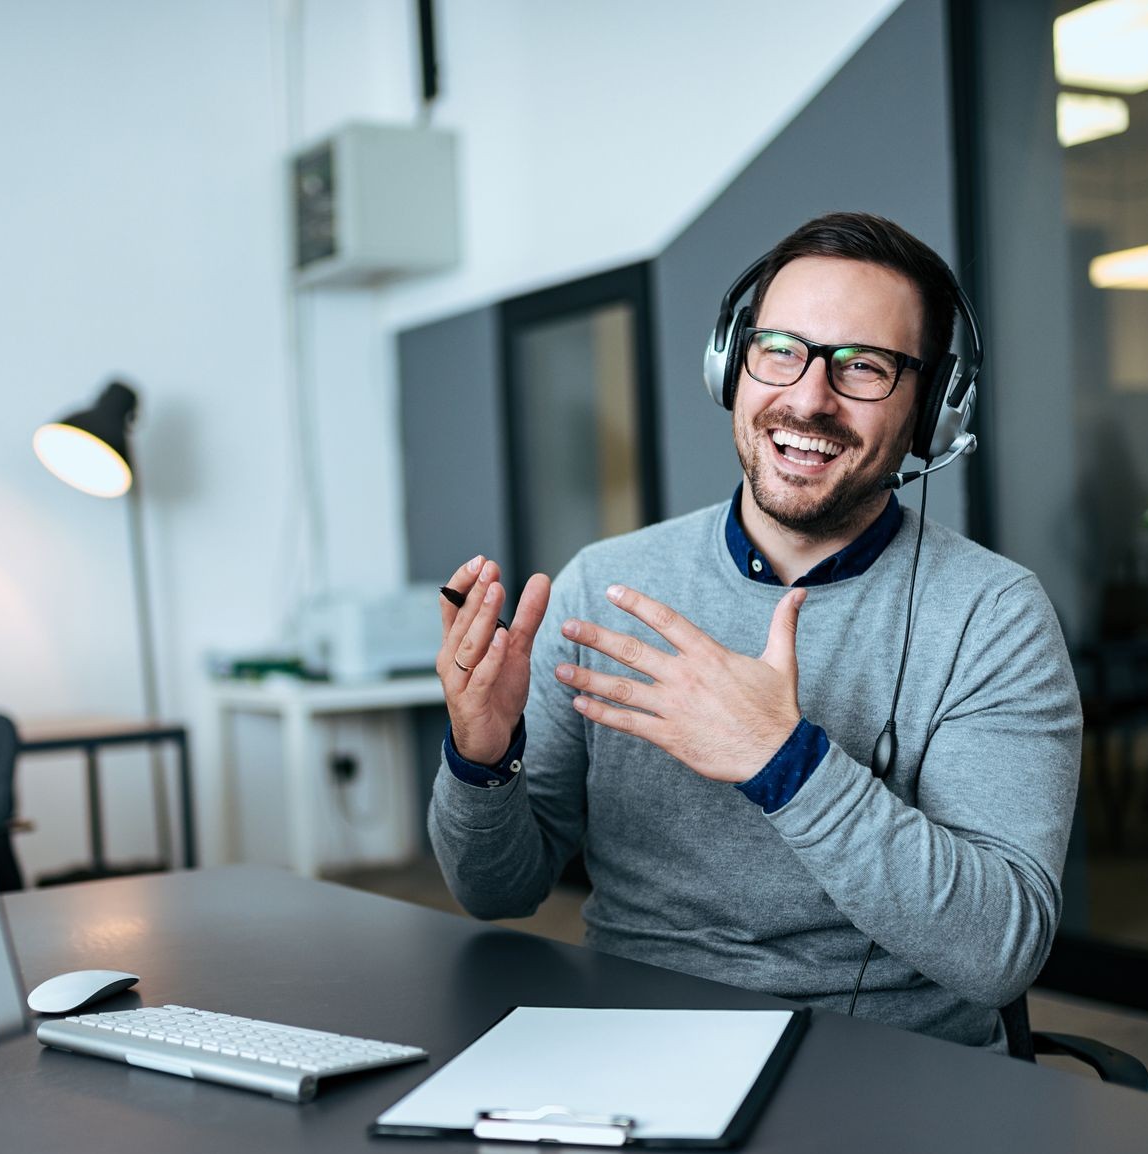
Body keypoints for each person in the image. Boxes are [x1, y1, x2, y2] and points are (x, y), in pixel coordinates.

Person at [427, 211, 1081, 1049]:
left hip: (887, 1075)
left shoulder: (994, 617)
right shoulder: (605, 584)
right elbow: (498, 890)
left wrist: (784, 761)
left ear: (933, 413)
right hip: (635, 1050)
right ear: (730, 365)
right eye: (782, 350)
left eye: (865, 367)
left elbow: (1001, 951)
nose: (809, 398)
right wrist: (481, 761)